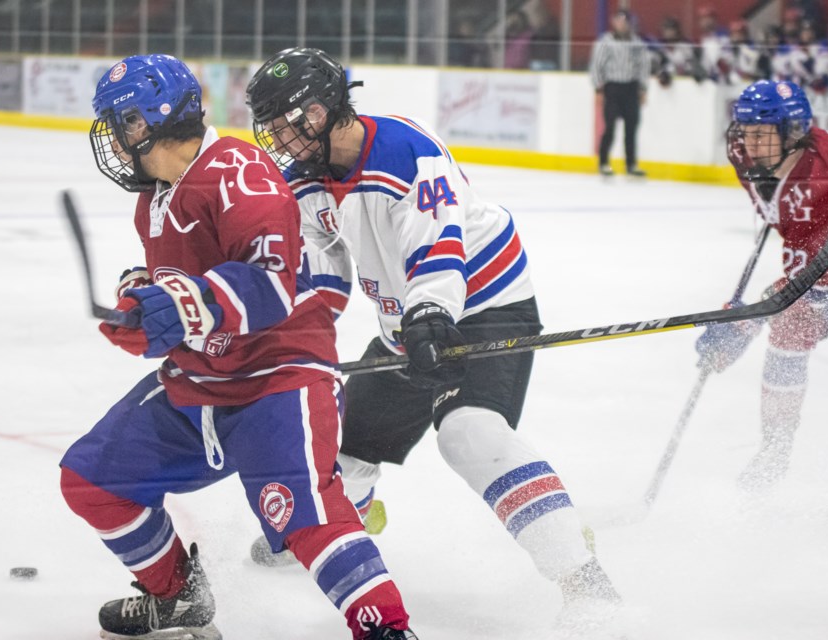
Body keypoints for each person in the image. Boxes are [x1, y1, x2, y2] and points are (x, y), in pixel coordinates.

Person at [244, 46, 622, 623]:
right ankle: (349, 525)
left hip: (484, 303)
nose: (285, 140)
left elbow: (437, 248)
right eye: (273, 129)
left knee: (469, 435)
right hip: (410, 323)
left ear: (328, 108)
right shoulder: (304, 183)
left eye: (294, 123)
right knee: (339, 450)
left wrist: (428, 316)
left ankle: (583, 577)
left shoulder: (403, 149)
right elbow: (322, 271)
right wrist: (287, 335)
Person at [59, 53, 417, 640]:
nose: (116, 141)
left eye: (120, 125)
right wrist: (142, 298)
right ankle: (176, 599)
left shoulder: (236, 170)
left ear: (147, 122)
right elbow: (188, 279)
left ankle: (387, 630)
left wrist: (182, 305)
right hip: (199, 381)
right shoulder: (157, 195)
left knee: (309, 518)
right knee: (91, 480)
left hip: (279, 377)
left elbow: (272, 279)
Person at [696, 79, 828, 491]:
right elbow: (794, 230)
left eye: (762, 134)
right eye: (744, 130)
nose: (749, 142)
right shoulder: (748, 155)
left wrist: (743, 322)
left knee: (785, 314)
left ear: (794, 132)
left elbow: (819, 278)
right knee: (789, 329)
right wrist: (750, 316)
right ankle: (775, 449)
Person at [589, 9, 649, 176]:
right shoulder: (605, 42)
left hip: (630, 88)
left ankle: (631, 164)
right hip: (612, 87)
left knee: (631, 128)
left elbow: (643, 66)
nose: (622, 24)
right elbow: (596, 66)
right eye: (619, 21)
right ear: (614, 22)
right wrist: (598, 89)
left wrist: (643, 88)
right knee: (610, 127)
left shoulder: (637, 43)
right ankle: (603, 162)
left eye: (625, 21)